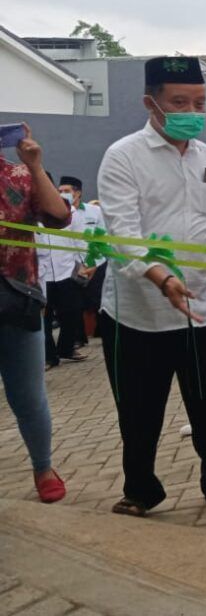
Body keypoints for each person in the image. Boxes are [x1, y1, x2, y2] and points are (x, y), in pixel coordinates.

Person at [97, 56, 206, 518]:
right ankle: (141, 490)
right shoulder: (123, 157)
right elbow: (122, 234)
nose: (192, 111)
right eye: (179, 102)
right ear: (150, 103)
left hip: (203, 306)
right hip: (138, 313)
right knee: (140, 411)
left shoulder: (205, 155)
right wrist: (162, 277)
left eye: (199, 102)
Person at [0, 123, 69, 502]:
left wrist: (35, 165)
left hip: (17, 301)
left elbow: (59, 217)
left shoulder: (17, 176)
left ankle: (43, 467)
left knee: (27, 396)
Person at [37, 182, 87, 369]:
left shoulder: (69, 213)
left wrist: (84, 263)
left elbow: (79, 239)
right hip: (44, 275)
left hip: (66, 270)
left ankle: (66, 348)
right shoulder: (32, 214)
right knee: (45, 318)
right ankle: (49, 357)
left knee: (73, 310)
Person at [57, 175, 105, 343]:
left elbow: (102, 236)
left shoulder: (94, 211)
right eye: (60, 191)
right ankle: (78, 339)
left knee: (97, 300)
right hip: (70, 264)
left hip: (95, 262)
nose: (62, 194)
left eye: (66, 191)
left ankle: (102, 332)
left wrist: (94, 263)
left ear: (78, 193)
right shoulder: (59, 213)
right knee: (74, 304)